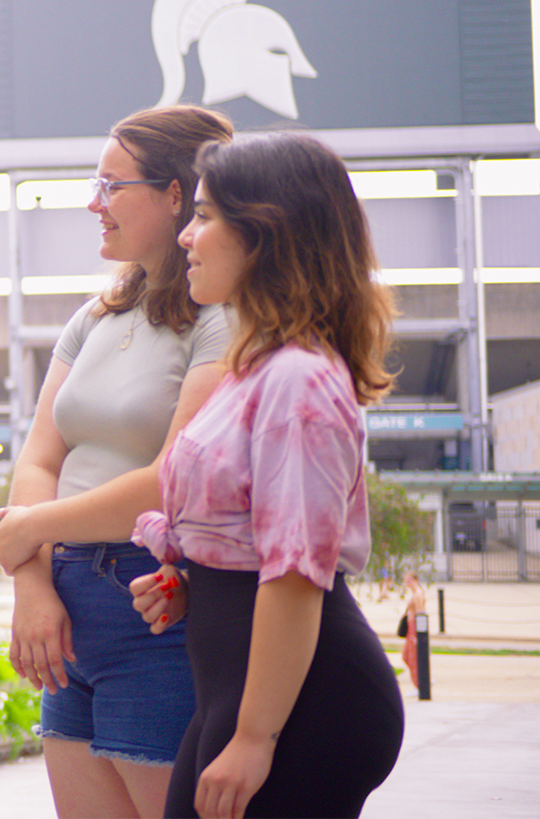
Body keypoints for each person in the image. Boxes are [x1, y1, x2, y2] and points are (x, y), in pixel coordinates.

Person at [126, 133, 404, 818]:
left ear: (265, 234)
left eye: (204, 216)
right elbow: (250, 542)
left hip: (304, 702)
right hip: (248, 691)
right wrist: (195, 582)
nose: (186, 236)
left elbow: (296, 573)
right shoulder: (260, 369)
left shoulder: (298, 380)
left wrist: (255, 738)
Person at [0, 106, 233, 818]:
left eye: (111, 186)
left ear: (176, 194)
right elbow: (39, 459)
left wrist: (30, 530)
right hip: (65, 601)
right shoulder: (94, 317)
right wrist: (33, 584)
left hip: (155, 602)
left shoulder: (222, 318)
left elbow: (171, 481)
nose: (94, 203)